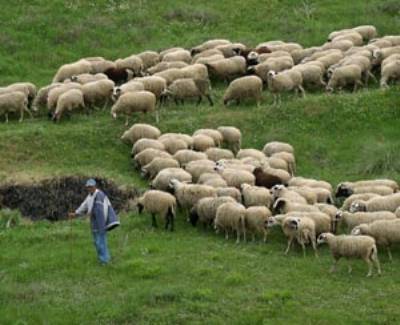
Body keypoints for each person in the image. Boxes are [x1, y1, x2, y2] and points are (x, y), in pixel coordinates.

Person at [69, 179, 120, 265]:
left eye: (91, 187)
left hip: (100, 223)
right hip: (94, 223)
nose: (89, 188)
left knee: (101, 242)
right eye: (88, 187)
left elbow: (100, 211)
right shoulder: (89, 196)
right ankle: (102, 259)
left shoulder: (99, 195)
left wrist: (101, 225)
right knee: (97, 242)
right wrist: (76, 213)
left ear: (95, 186)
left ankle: (105, 261)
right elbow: (84, 205)